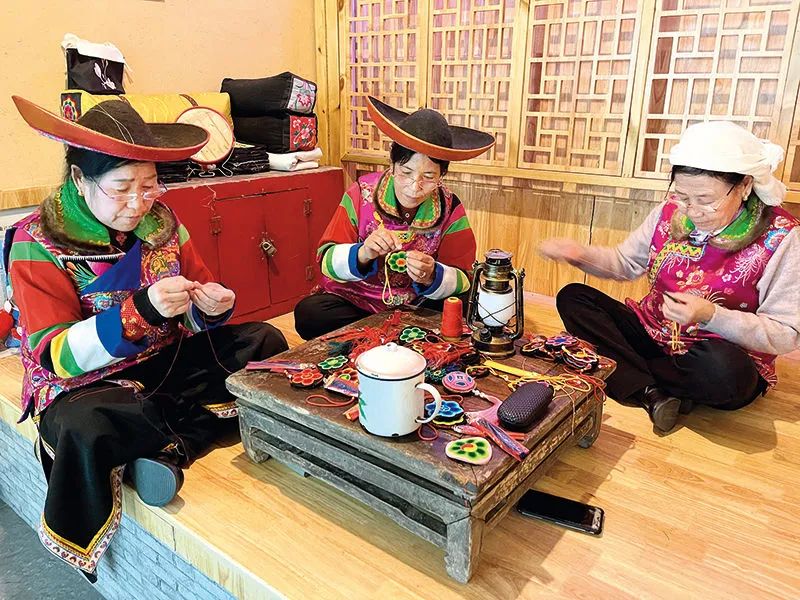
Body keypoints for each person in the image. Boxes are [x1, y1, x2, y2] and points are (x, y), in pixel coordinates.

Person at [6, 96, 288, 578]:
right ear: (80, 179)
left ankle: (163, 449)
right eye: (121, 188)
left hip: (163, 362)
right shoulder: (37, 242)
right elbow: (56, 356)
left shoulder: (163, 224)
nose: (139, 203)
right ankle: (184, 435)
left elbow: (194, 312)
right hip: (87, 385)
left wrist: (211, 307)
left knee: (262, 343)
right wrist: (142, 310)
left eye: (149, 185)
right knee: (85, 425)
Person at [540, 121, 799, 434]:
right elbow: (624, 263)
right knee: (574, 298)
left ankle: (633, 378)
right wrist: (578, 254)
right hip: (654, 333)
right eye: (682, 196)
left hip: (714, 352)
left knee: (725, 373)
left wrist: (711, 315)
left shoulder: (781, 237)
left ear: (745, 185)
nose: (692, 210)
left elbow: (786, 333)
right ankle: (654, 392)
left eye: (705, 199)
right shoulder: (670, 212)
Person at [293, 96, 495, 340]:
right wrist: (363, 253)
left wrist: (433, 274)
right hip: (358, 303)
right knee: (310, 313)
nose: (414, 186)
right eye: (406, 172)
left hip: (417, 305)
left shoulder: (449, 207)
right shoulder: (361, 193)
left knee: (472, 303)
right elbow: (326, 259)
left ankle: (379, 336)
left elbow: (464, 277)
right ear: (392, 164)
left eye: (429, 177)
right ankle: (400, 336)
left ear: (442, 174)